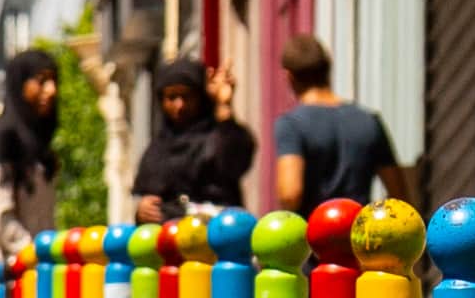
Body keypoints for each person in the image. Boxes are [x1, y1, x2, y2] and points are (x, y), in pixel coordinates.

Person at [264, 32, 401, 212]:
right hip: (360, 234)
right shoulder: (369, 121)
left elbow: (290, 195)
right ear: (328, 68)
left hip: (314, 235)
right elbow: (398, 194)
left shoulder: (291, 125)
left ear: (289, 76)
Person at [125, 53, 253, 217]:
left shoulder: (220, 135)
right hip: (171, 238)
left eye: (186, 96)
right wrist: (142, 211)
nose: (179, 105)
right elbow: (148, 193)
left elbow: (233, 163)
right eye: (172, 97)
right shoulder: (158, 148)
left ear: (200, 96)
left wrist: (223, 104)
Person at [0, 44, 66, 272]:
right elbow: (1, 215)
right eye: (41, 81)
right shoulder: (5, 140)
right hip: (4, 279)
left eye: (54, 81)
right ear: (20, 85)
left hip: (33, 271)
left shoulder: (42, 150)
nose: (51, 90)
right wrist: (35, 255)